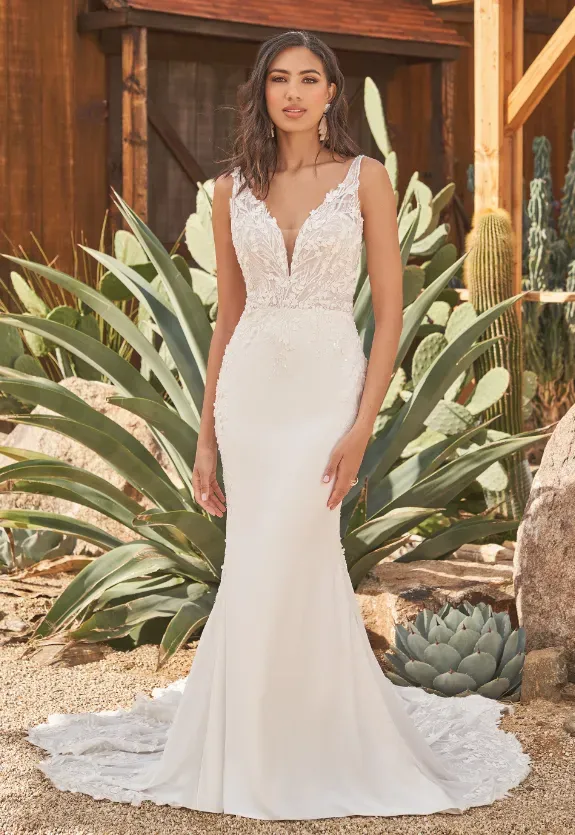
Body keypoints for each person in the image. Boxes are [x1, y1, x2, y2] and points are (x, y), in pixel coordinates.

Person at [27, 29, 531, 821]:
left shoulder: (365, 179)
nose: (293, 93)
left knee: (304, 549)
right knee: (256, 562)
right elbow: (227, 316)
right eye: (278, 80)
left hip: (327, 388)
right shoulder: (232, 189)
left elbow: (391, 312)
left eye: (309, 79)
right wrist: (203, 436)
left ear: (333, 92)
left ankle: (320, 738)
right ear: (261, 93)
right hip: (252, 396)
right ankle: (250, 744)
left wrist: (364, 421)